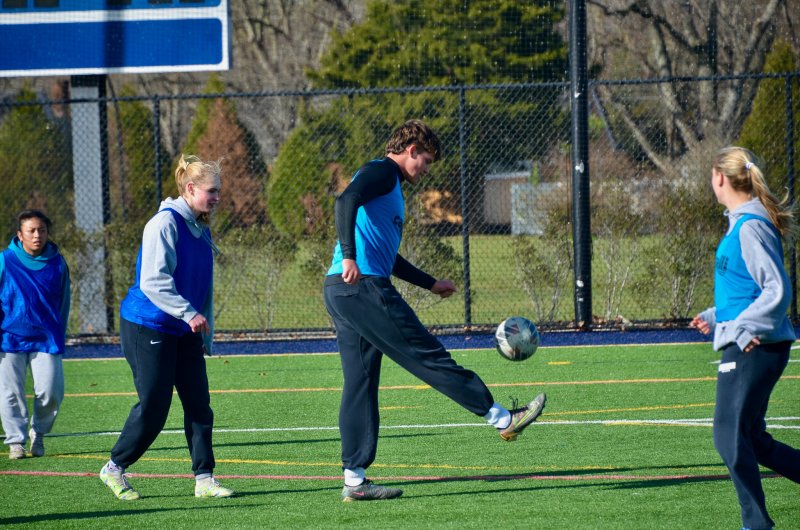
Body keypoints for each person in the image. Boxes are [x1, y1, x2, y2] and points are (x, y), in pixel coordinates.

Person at [323, 119, 547, 502]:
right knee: (427, 355)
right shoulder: (382, 171)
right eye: (425, 160)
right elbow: (345, 201)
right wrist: (347, 256)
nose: (426, 169)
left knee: (359, 384)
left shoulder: (389, 184)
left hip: (343, 291)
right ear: (410, 150)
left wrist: (429, 283)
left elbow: (386, 254)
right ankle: (502, 419)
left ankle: (354, 480)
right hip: (361, 288)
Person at [99, 154, 233, 501]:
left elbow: (203, 286)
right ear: (190, 189)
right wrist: (188, 315)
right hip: (149, 325)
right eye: (212, 191)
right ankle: (114, 467)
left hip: (183, 329)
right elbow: (153, 282)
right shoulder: (164, 223)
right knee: (154, 407)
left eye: (219, 191)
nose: (217, 197)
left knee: (199, 404)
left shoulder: (201, 226)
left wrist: (206, 335)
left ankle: (204, 478)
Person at [690, 146, 800, 530]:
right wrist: (715, 316)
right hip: (749, 339)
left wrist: (744, 327)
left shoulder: (751, 225)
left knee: (728, 435)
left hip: (757, 345)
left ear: (720, 177)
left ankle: (756, 525)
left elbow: (778, 291)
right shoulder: (741, 222)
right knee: (752, 437)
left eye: (710, 176)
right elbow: (744, 292)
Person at [0, 210, 70, 460]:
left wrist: (59, 333)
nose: (37, 235)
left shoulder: (58, 263)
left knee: (52, 391)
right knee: (10, 392)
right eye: (31, 230)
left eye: (41, 229)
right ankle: (16, 441)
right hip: (9, 338)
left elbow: (64, 302)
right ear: (20, 234)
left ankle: (38, 433)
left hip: (46, 338)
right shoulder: (5, 261)